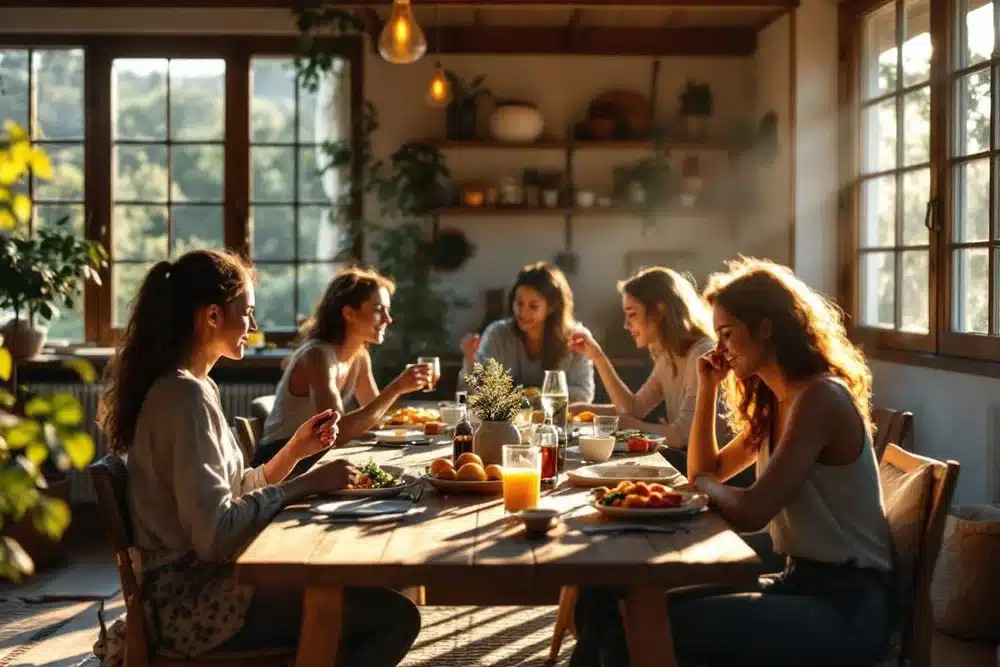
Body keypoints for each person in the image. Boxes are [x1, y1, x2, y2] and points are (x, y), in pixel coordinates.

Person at [568, 258, 894, 667]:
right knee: (615, 606)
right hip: (796, 581)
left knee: (641, 632)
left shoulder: (819, 398)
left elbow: (751, 509)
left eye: (726, 334)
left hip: (845, 607)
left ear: (765, 328)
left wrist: (703, 488)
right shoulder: (776, 402)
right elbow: (704, 471)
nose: (718, 348)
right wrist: (707, 387)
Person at [98, 250, 420, 666]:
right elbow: (215, 537)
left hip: (202, 590)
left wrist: (297, 450)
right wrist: (304, 484)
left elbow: (232, 492)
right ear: (212, 316)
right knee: (393, 616)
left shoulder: (195, 388)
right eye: (246, 312)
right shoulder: (183, 398)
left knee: (362, 594)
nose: (253, 325)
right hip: (194, 607)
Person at [254, 266, 431, 476]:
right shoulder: (317, 355)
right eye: (378, 309)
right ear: (349, 313)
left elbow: (374, 415)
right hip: (281, 463)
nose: (388, 319)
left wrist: (420, 419)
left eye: (387, 310)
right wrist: (396, 388)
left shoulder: (359, 356)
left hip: (316, 456)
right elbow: (338, 432)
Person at [567, 267, 732, 479]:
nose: (626, 325)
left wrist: (621, 423)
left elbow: (681, 436)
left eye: (632, 314)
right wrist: (596, 359)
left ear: (660, 311)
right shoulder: (668, 355)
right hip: (688, 465)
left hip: (716, 474)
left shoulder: (701, 352)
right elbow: (633, 408)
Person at [458, 262, 595, 403]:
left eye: (533, 306)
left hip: (558, 423)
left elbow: (584, 395)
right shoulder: (498, 334)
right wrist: (470, 360)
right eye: (519, 303)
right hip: (504, 423)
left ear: (551, 307)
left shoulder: (576, 339)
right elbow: (470, 395)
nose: (523, 313)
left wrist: (533, 396)